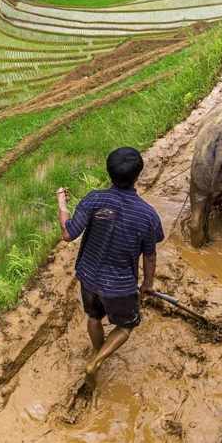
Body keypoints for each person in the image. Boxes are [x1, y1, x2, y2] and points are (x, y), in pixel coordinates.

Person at [55, 147, 164, 391]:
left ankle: (98, 350)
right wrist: (148, 284)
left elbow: (68, 233)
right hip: (120, 286)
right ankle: (96, 361)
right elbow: (150, 256)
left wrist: (62, 203)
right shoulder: (148, 216)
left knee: (94, 316)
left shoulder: (94, 199)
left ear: (109, 173)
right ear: (138, 176)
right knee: (127, 324)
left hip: (89, 278)